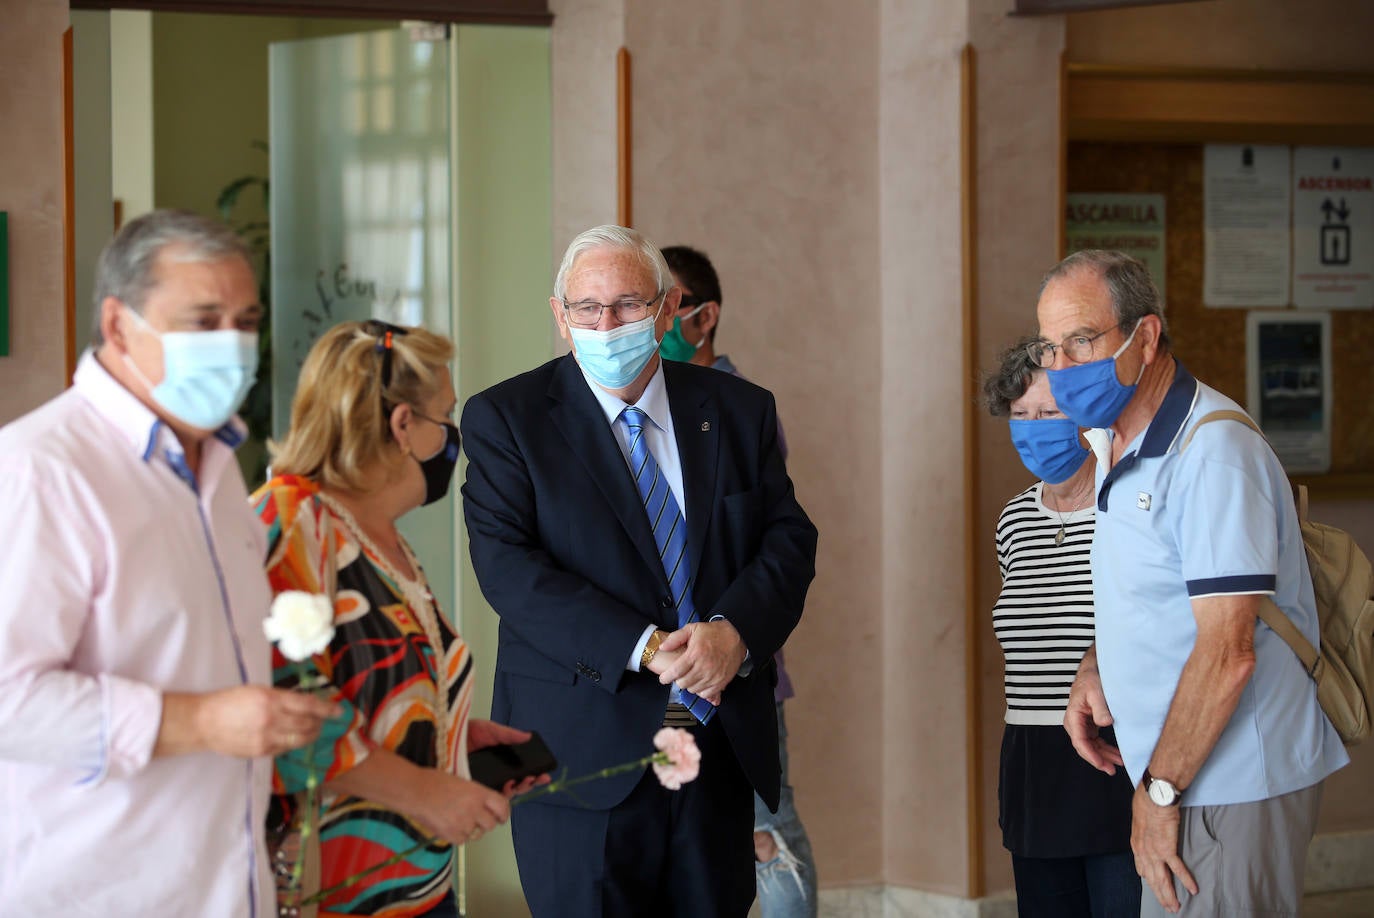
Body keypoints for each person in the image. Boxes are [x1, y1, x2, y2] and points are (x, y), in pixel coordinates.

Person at [461, 225, 818, 917]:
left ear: (668, 306)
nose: (606, 324)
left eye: (627, 305)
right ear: (559, 317)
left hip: (714, 751)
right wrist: (647, 647)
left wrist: (734, 633)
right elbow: (510, 570)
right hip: (575, 756)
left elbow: (788, 539)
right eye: (587, 308)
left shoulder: (740, 411)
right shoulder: (507, 419)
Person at [0, 209, 337, 915]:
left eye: (246, 321)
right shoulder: (40, 471)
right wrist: (199, 723)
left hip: (222, 886)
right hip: (96, 892)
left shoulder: (217, 477)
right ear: (120, 326)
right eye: (204, 321)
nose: (235, 345)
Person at [1039, 250, 1348, 917]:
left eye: (1082, 341)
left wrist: (1157, 794)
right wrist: (1098, 664)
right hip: (1187, 775)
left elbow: (1228, 652)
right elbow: (1155, 594)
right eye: (1050, 348)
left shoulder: (1210, 454)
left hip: (1229, 780)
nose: (1061, 369)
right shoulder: (1113, 443)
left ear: (1145, 338)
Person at [254, 320, 544, 917]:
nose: (453, 438)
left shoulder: (383, 538)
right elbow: (285, 717)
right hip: (329, 891)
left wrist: (449, 732)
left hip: (416, 886)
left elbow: (371, 687)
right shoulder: (292, 522)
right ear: (402, 426)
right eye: (446, 416)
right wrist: (425, 791)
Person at [660, 244, 816, 917]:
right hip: (662, 672)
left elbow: (771, 546)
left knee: (766, 832)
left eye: (665, 304)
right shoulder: (648, 412)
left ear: (703, 316)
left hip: (735, 668)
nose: (651, 320)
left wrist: (727, 639)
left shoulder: (743, 412)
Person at [983, 336, 1138, 918]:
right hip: (1031, 757)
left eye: (1048, 412)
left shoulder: (1126, 503)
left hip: (1111, 753)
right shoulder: (1015, 518)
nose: (1032, 427)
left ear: (1085, 416)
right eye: (1020, 414)